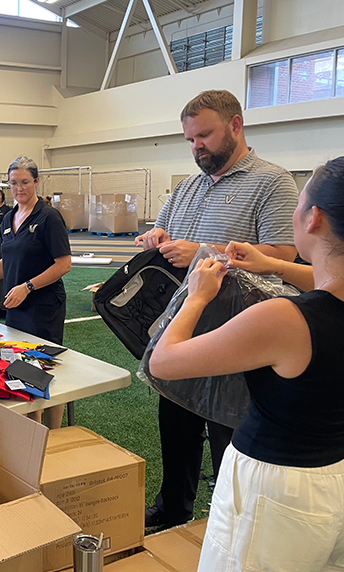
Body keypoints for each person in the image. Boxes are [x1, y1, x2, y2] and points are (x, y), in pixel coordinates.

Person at [149, 158, 344, 571]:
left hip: (276, 488)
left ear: (314, 219)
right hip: (333, 476)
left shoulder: (285, 319)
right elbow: (327, 281)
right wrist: (271, 263)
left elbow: (164, 362)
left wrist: (196, 296)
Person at [134, 90, 299, 528]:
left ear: (236, 125)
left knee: (232, 439)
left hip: (239, 339)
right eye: (190, 139)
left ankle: (229, 525)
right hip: (185, 330)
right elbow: (161, 227)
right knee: (176, 426)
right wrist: (156, 237)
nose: (196, 147)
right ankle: (173, 511)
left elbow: (283, 254)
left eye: (204, 135)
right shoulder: (187, 186)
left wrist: (204, 252)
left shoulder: (273, 181)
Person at [0, 156, 71, 429]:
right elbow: (7, 261)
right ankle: (32, 429)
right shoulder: (9, 217)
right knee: (21, 366)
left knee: (45, 368)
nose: (19, 188)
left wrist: (28, 286)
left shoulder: (49, 217)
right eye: (13, 183)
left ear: (36, 182)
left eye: (24, 182)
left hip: (43, 306)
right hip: (16, 306)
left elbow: (64, 264)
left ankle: (52, 434)